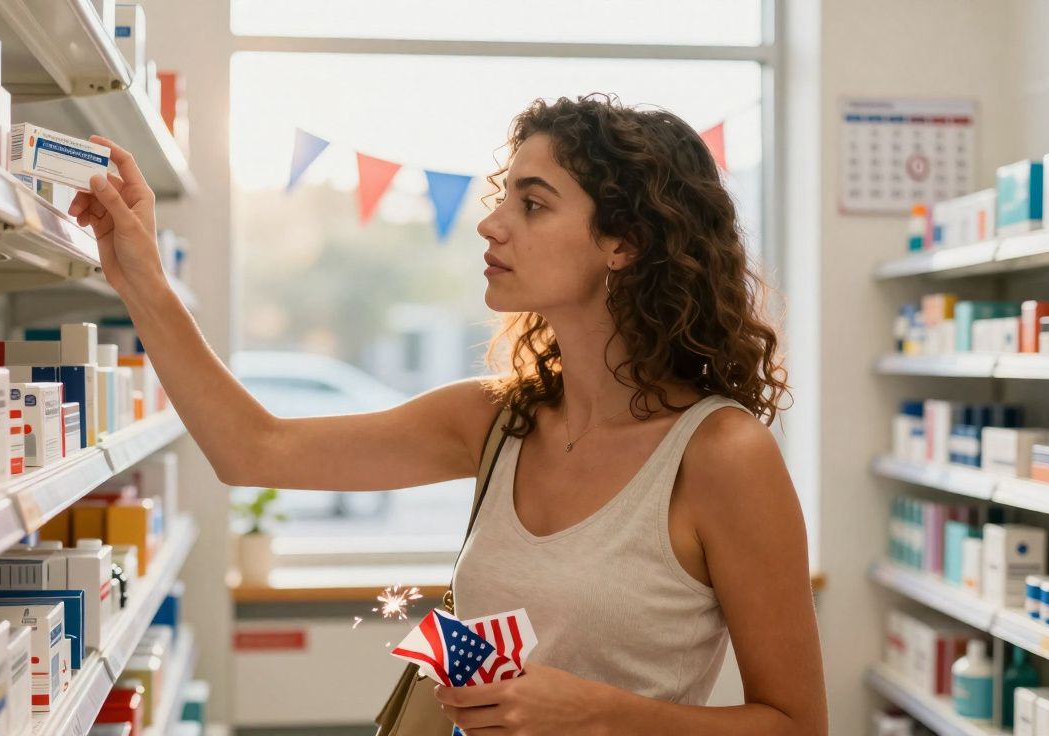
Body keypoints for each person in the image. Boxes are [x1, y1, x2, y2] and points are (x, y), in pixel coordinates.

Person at [69, 93, 827, 735]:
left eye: (533, 204)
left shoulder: (721, 454)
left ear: (623, 243)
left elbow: (796, 724)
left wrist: (598, 712)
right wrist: (140, 274)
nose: (490, 225)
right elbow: (254, 449)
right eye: (506, 198)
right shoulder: (498, 421)